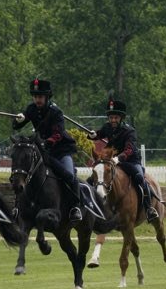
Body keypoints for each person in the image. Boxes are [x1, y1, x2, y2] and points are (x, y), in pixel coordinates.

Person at [12, 77, 100, 224]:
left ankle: (76, 208)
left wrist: (46, 143)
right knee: (24, 174)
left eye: (40, 97)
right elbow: (16, 126)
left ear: (46, 97)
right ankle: (18, 209)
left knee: (69, 176)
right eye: (35, 97)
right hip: (46, 152)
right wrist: (18, 120)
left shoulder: (56, 112)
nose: (37, 100)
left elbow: (58, 134)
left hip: (61, 151)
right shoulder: (31, 109)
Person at [88, 96, 157, 220]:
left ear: (121, 118)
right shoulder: (107, 127)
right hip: (112, 162)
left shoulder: (129, 131)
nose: (113, 120)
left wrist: (118, 158)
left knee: (140, 177)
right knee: (91, 179)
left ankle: (149, 208)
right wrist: (93, 135)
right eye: (111, 117)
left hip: (130, 161)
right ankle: (91, 206)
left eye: (115, 118)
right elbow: (99, 134)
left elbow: (129, 150)